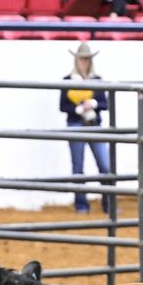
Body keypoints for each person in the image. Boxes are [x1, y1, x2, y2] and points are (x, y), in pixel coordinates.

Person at [59, 43, 112, 214]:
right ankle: (81, 204)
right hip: (76, 124)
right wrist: (79, 109)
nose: (84, 62)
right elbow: (63, 106)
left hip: (93, 124)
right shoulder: (68, 81)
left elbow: (105, 103)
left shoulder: (97, 80)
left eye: (87, 59)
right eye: (82, 58)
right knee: (78, 166)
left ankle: (108, 203)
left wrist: (93, 103)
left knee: (105, 166)